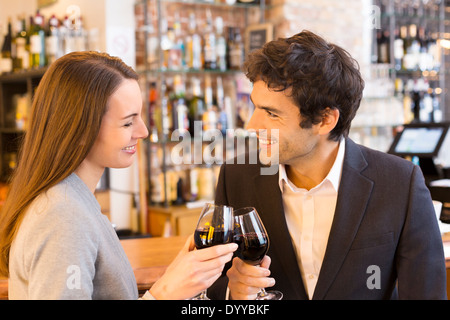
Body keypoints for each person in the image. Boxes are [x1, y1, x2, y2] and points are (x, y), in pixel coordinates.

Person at [209, 30, 447, 300]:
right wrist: (232, 291)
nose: (252, 125)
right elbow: (211, 282)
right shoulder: (235, 177)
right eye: (255, 107)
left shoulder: (400, 183)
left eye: (272, 113)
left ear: (325, 120)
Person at [0, 51, 237, 300]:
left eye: (140, 117)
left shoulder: (73, 201)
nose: (143, 131)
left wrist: (176, 276)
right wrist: (163, 294)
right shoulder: (63, 216)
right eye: (127, 123)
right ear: (80, 130)